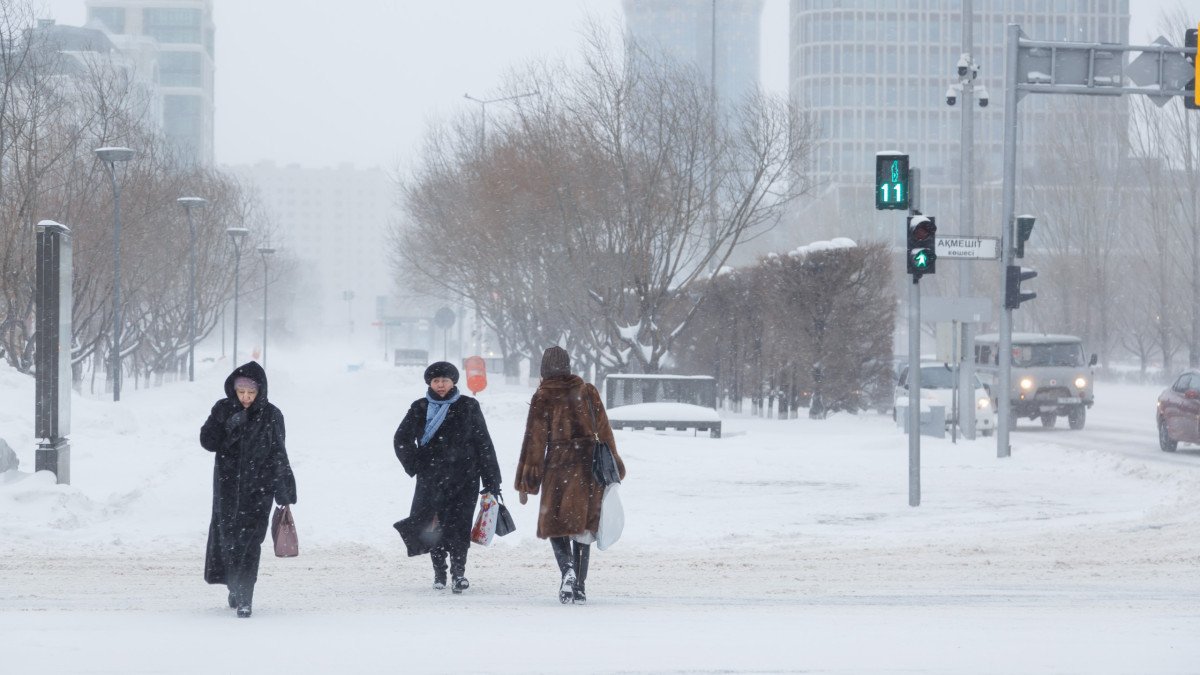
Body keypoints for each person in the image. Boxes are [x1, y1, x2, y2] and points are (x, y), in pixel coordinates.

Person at [515, 346, 626, 604]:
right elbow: (605, 432)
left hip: (558, 467)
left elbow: (534, 442)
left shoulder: (543, 396)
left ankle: (567, 571)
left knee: (556, 524)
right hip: (589, 469)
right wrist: (615, 466)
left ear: (544, 369)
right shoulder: (587, 391)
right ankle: (581, 587)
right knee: (583, 527)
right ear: (568, 365)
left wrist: (526, 482)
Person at [394, 361, 503, 593]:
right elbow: (401, 439)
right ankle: (439, 572)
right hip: (431, 479)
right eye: (436, 381)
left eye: (444, 380)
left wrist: (492, 480)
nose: (440, 385)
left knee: (460, 525)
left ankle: (459, 572)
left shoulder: (469, 406)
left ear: (454, 381)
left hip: (465, 479)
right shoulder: (420, 407)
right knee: (434, 525)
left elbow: (483, 443)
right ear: (429, 383)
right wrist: (416, 464)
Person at [199, 361, 297, 618]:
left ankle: (245, 597)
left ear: (260, 391)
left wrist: (283, 491)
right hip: (228, 489)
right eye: (241, 392)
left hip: (258, 492)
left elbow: (278, 452)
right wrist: (225, 422)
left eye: (250, 393)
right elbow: (207, 442)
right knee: (229, 542)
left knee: (251, 544)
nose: (245, 398)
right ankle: (234, 586)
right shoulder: (223, 409)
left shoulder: (272, 415)